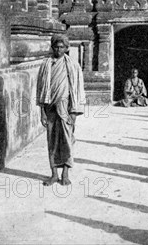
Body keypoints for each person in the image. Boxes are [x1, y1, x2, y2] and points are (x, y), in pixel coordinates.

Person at [36, 34, 85, 186]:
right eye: (56, 46)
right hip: (50, 108)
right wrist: (42, 112)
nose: (59, 49)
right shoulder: (46, 65)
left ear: (66, 48)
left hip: (66, 108)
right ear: (52, 47)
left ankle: (65, 174)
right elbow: (40, 90)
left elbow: (77, 89)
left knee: (67, 141)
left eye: (62, 47)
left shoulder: (73, 65)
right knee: (52, 141)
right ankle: (53, 174)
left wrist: (74, 111)